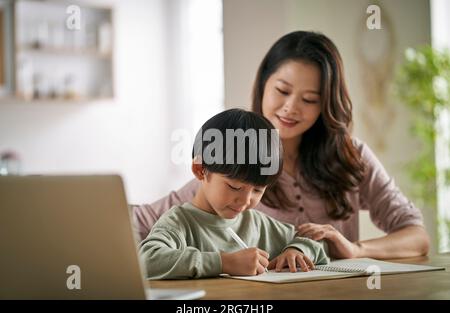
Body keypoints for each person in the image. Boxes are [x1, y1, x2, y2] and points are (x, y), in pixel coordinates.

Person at [134, 31, 429, 260]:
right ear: (263, 84)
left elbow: (416, 235)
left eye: (309, 99)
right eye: (282, 91)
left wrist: (357, 249)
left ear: (325, 104)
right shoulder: (233, 158)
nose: (291, 108)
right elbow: (139, 223)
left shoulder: (353, 157)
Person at [139, 109, 329, 279]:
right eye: (235, 187)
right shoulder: (179, 223)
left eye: (257, 190)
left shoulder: (258, 224)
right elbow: (146, 260)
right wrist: (224, 263)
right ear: (200, 169)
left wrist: (295, 249)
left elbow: (315, 245)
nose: (246, 201)